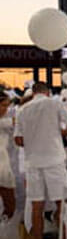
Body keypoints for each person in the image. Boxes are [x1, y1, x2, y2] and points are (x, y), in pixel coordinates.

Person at [14, 82, 67, 239]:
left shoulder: (22, 110)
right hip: (54, 160)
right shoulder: (55, 103)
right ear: (47, 92)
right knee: (60, 204)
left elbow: (18, 140)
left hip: (33, 163)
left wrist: (34, 142)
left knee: (36, 207)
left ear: (33, 93)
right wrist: (59, 135)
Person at [0, 92, 16, 220]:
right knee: (9, 204)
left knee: (9, 205)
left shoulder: (4, 121)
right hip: (2, 166)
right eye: (4, 105)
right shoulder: (4, 122)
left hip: (4, 162)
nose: (6, 109)